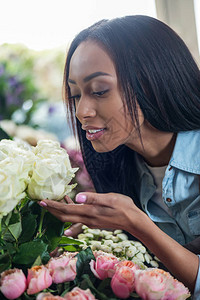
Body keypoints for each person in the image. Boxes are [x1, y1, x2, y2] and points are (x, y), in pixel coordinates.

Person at [39, 15, 200, 296]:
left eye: (99, 91)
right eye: (76, 95)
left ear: (152, 83)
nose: (81, 112)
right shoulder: (122, 170)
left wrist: (136, 223)